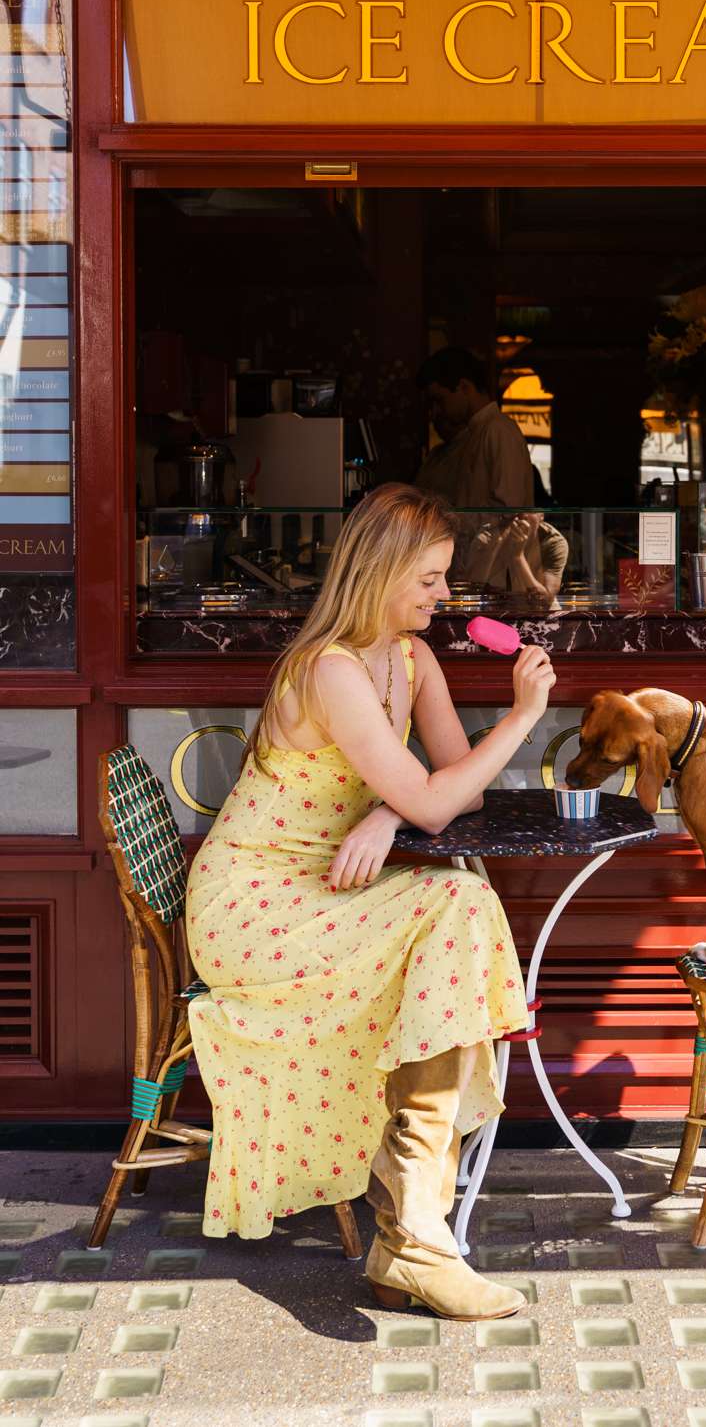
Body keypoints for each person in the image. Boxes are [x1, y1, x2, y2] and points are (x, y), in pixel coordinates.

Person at [185, 483, 556, 1322]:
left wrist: (392, 808)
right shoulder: (331, 670)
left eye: (444, 578)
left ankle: (413, 1236)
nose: (443, 595)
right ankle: (416, 1239)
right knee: (455, 908)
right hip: (255, 902)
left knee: (455, 914)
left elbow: (449, 796)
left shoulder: (413, 658)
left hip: (332, 893)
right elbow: (441, 800)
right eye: (427, 579)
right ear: (379, 572)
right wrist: (524, 715)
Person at [414, 347, 533, 509]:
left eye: (440, 400)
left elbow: (508, 509)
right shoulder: (474, 434)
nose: (436, 411)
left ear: (464, 387)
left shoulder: (498, 429)